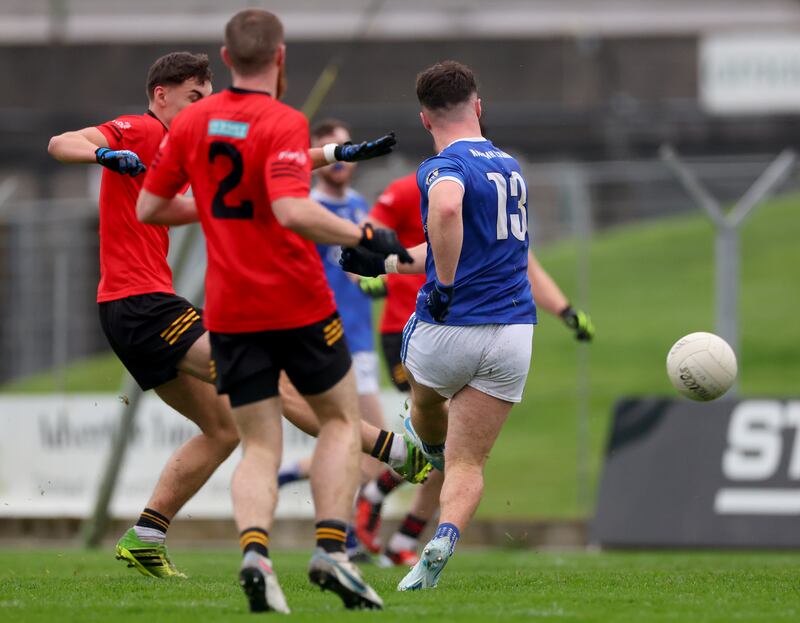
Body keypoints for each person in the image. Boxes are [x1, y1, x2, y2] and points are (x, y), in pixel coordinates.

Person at [47, 51, 422, 582]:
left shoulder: (189, 146)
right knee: (268, 382)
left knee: (222, 428)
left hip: (135, 311)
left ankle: (147, 535)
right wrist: (103, 156)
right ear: (162, 95)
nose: (203, 107)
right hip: (143, 306)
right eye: (194, 97)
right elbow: (61, 143)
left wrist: (337, 151)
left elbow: (267, 165)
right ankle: (390, 449)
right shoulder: (137, 128)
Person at [136, 9, 413, 612]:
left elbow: (150, 208)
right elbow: (292, 211)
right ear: (280, 58)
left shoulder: (193, 123)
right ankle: (331, 551)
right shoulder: (284, 120)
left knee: (259, 446)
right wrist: (364, 234)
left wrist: (209, 205)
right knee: (340, 423)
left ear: (227, 58)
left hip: (230, 310)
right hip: (296, 301)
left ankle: (256, 554)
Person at [341, 59, 541, 590]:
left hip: (450, 327)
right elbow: (456, 239)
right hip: (515, 331)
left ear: (425, 120)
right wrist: (388, 263)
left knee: (427, 408)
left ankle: (421, 450)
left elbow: (447, 213)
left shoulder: (439, 167)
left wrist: (446, 287)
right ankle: (444, 537)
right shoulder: (510, 165)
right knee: (469, 461)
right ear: (478, 106)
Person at [356, 173, 595, 566]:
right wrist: (365, 273)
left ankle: (403, 537)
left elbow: (526, 267)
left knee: (455, 448)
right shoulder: (408, 189)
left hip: (470, 332)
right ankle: (380, 495)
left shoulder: (495, 195)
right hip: (409, 332)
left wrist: (564, 310)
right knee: (446, 440)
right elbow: (366, 238)